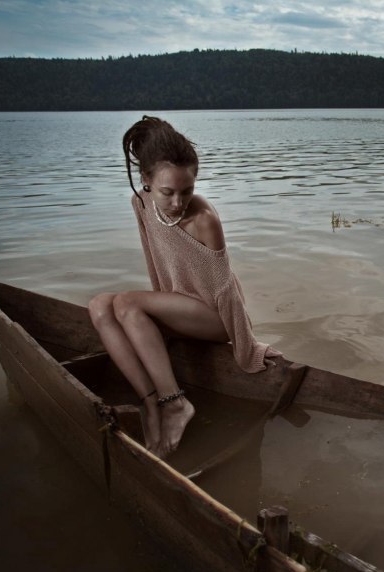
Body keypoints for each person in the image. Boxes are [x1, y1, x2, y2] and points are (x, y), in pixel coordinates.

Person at [89, 115, 280, 458]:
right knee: (100, 305)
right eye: (167, 192)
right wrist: (152, 316)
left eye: (187, 190)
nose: (178, 202)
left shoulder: (205, 220)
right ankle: (151, 404)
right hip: (177, 307)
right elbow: (154, 261)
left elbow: (226, 292)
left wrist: (249, 346)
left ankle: (175, 403)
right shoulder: (141, 203)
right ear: (146, 180)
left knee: (128, 303)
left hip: (214, 317)